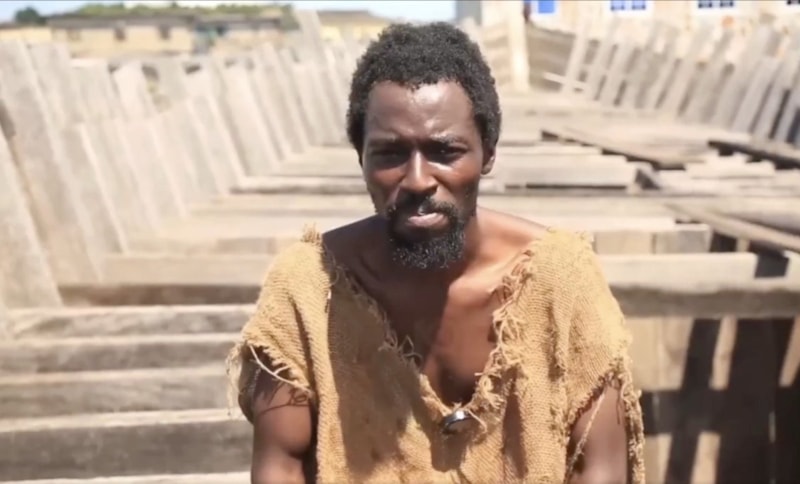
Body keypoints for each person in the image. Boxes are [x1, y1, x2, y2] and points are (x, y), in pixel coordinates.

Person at [227, 21, 645, 484]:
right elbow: (280, 466)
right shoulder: (307, 289)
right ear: (360, 156)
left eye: (444, 151)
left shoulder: (560, 278)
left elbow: (600, 468)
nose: (418, 180)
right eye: (390, 153)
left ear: (488, 153)